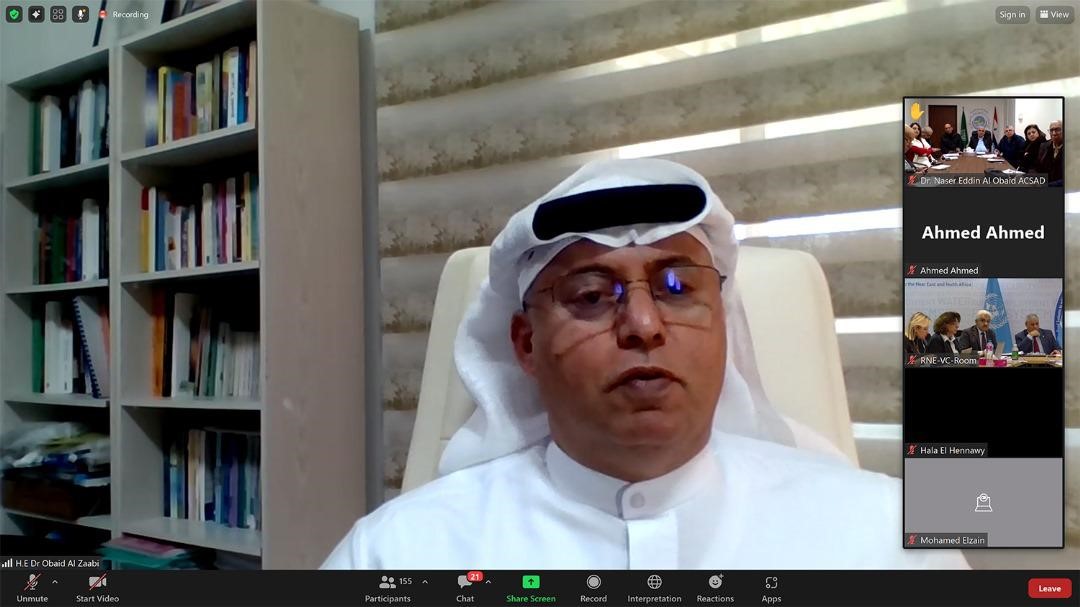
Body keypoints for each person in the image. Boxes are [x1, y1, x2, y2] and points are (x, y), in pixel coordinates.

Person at [320, 159, 968, 569]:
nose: (644, 325)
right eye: (590, 296)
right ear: (525, 345)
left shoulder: (885, 535)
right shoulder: (397, 553)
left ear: (724, 322)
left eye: (678, 288)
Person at [1035, 120, 1064, 186]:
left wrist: (1047, 185)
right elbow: (1038, 167)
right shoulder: (1044, 146)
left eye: (1057, 130)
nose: (1054, 133)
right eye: (1051, 130)